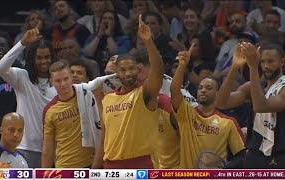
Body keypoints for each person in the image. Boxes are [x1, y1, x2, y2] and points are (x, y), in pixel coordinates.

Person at [91, 14, 164, 169]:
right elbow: (104, 138)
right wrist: (94, 171)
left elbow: (158, 70)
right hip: (111, 166)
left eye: (131, 68)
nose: (128, 73)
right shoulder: (108, 99)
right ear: (116, 72)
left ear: (138, 69)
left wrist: (148, 42)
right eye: (123, 70)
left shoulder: (145, 93)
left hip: (142, 165)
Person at [216, 42, 285, 168]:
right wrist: (235, 66)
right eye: (262, 62)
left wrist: (253, 67)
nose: (266, 66)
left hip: (278, 158)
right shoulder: (253, 87)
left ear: (282, 62)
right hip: (253, 155)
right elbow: (221, 103)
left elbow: (260, 106)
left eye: (271, 61)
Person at [170, 44, 245, 169]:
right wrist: (182, 66)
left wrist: (224, 169)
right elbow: (174, 91)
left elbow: (242, 156)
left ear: (217, 93)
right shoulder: (186, 113)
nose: (203, 90)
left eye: (208, 88)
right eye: (200, 88)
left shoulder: (228, 122)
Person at [0, 26, 57, 168]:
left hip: (52, 150)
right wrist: (22, 43)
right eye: (39, 58)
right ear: (32, 58)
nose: (44, 61)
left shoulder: (59, 82)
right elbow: (1, 67)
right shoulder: (22, 78)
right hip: (24, 149)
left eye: (47, 57)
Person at [42, 61, 100, 168]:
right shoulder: (50, 110)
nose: (63, 84)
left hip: (91, 163)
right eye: (58, 81)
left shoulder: (88, 95)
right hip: (65, 166)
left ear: (71, 78)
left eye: (66, 79)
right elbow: (48, 147)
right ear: (51, 82)